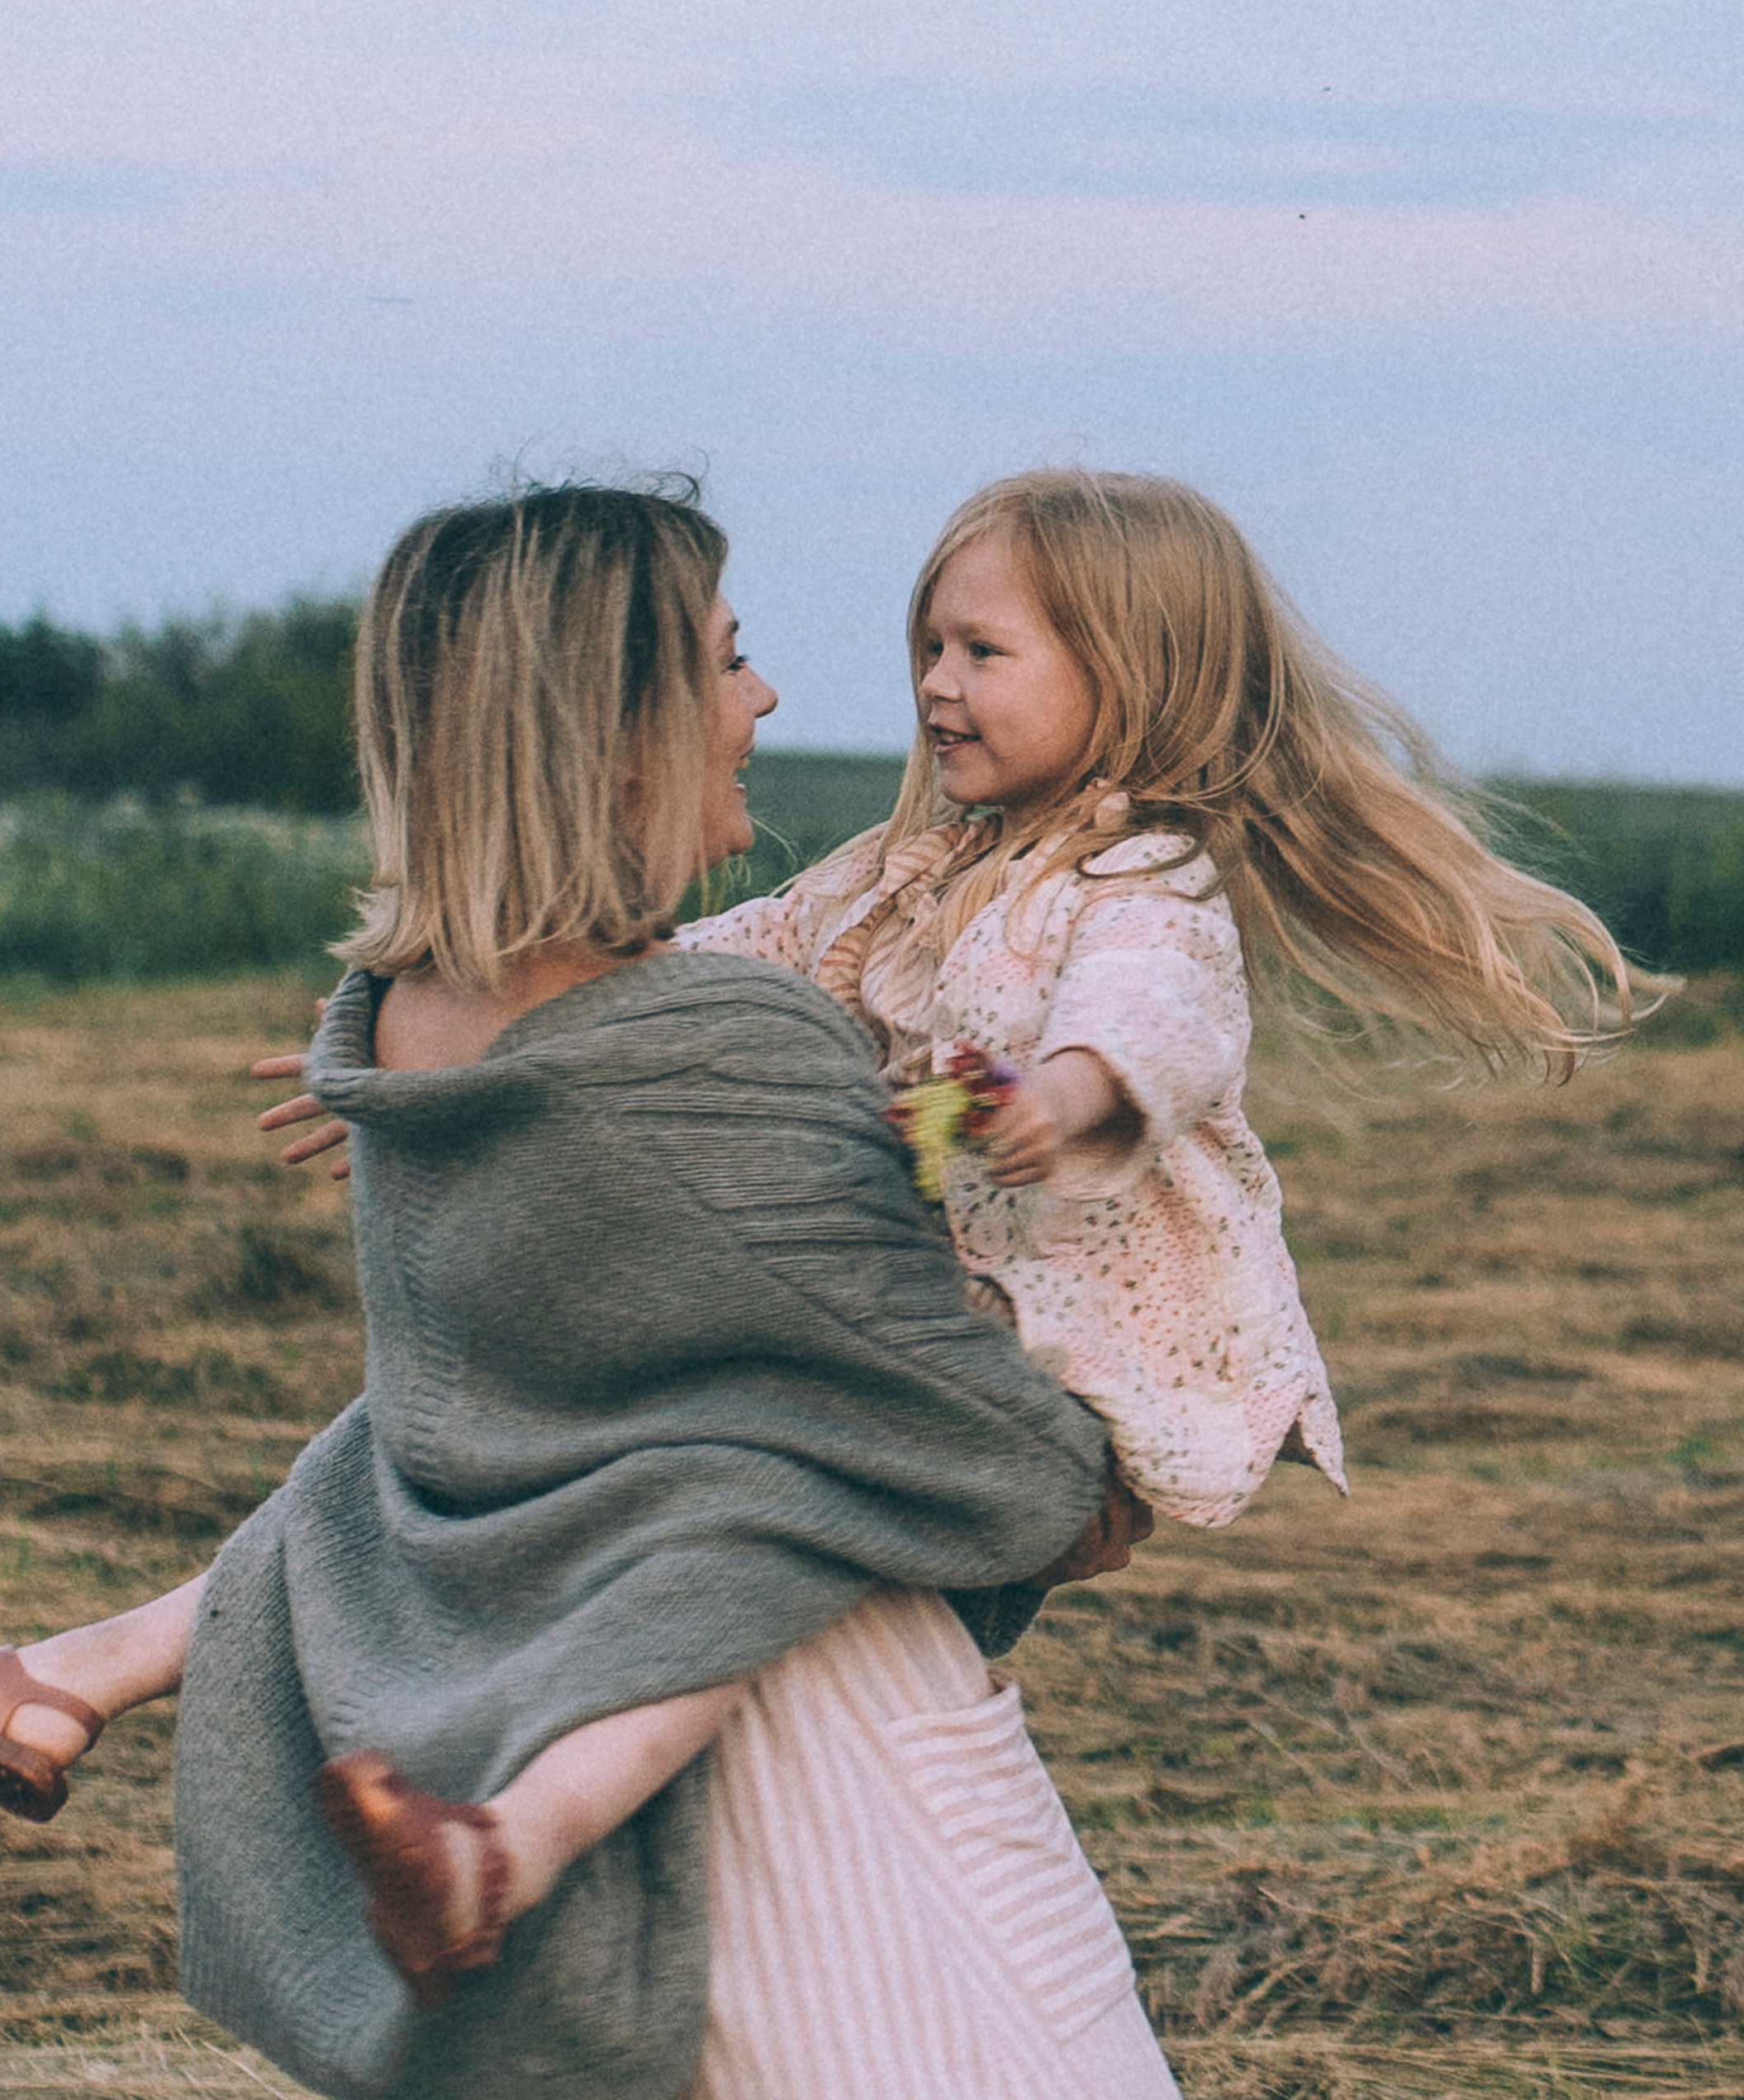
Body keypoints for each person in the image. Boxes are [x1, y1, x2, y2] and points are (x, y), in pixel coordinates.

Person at [0, 480, 1181, 2100]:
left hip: (536, 1700)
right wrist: (1110, 1462)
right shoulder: (712, 1060)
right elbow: (980, 1452)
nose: (761, 704)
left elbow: (459, 1425)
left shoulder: (407, 1029)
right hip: (815, 1764)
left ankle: (60, 1676)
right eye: (726, 663)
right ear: (604, 729)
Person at [258, 463, 1653, 1976]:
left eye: (985, 653)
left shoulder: (1141, 877)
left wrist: (1066, 1092)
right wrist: (478, 1061)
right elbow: (716, 964)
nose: (936, 685)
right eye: (930, 646)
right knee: (668, 1528)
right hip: (951, 1342)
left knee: (751, 1544)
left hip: (1078, 1371)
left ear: (1130, 677)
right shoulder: (910, 868)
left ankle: (515, 1839)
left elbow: (1158, 1013)